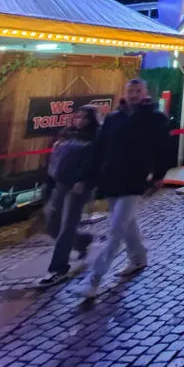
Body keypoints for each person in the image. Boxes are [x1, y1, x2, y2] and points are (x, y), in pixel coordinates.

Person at [73, 80, 170, 298]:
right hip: (112, 179)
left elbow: (163, 149)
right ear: (125, 93)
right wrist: (86, 177)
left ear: (144, 93)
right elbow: (99, 150)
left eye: (137, 91)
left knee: (115, 231)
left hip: (134, 180)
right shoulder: (114, 119)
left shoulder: (155, 119)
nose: (134, 95)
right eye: (130, 91)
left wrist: (158, 175)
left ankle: (93, 280)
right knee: (126, 224)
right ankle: (138, 256)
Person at [38, 106, 99, 286]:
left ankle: (58, 268)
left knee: (67, 226)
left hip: (78, 186)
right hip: (61, 183)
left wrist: (84, 181)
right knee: (51, 223)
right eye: (78, 116)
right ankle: (81, 241)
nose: (80, 120)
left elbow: (94, 163)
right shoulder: (69, 134)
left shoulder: (95, 137)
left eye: (84, 118)